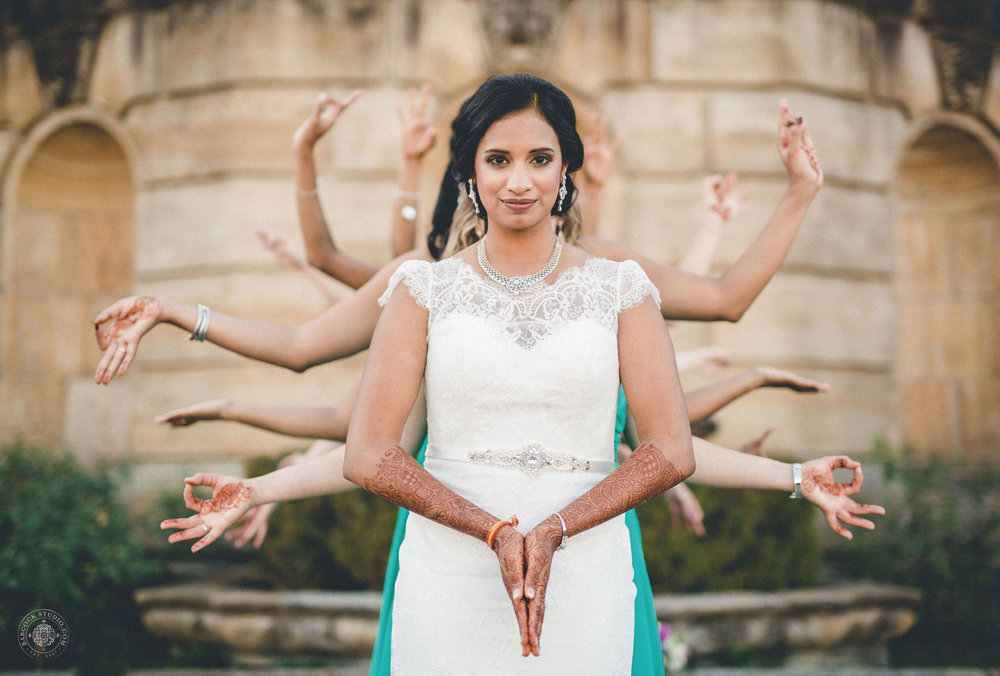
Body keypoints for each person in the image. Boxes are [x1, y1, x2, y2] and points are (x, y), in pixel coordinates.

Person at [95, 74, 832, 674]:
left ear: (566, 169)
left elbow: (673, 433)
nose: (519, 180)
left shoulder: (618, 282)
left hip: (588, 567)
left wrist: (800, 193)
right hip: (448, 570)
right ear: (472, 173)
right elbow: (347, 415)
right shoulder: (421, 286)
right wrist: (174, 312)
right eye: (498, 160)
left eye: (540, 159)